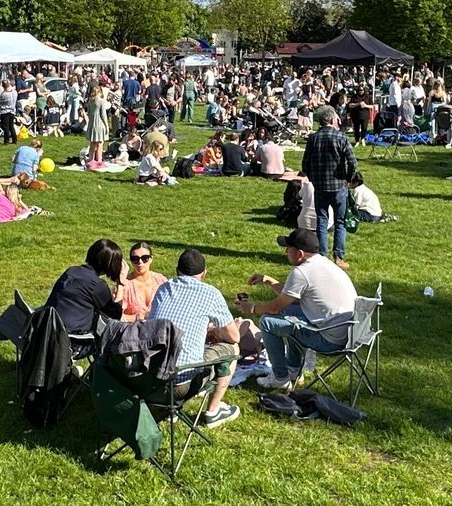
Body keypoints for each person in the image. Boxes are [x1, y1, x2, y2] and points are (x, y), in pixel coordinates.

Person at [237, 228, 357, 392]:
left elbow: (275, 307)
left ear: (299, 254)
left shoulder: (302, 272)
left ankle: (280, 377)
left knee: (267, 322)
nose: (285, 251)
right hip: (347, 333)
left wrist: (251, 308)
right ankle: (293, 369)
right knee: (289, 312)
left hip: (330, 340)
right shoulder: (323, 262)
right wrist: (269, 281)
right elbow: (291, 297)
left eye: (288, 248)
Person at [147, 248, 242, 428]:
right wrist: (216, 332)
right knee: (233, 349)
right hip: (182, 383)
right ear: (204, 274)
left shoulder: (164, 288)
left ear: (177, 271)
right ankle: (213, 412)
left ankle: (169, 409)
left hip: (150, 380)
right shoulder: (210, 293)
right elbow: (234, 336)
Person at [44, 239, 125, 357]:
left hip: (45, 334)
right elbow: (115, 315)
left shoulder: (71, 271)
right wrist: (121, 283)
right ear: (110, 264)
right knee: (106, 339)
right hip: (70, 344)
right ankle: (93, 374)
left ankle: (69, 371)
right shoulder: (97, 285)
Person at [302, 106, 357, 268]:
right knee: (340, 222)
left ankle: (322, 255)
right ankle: (338, 257)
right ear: (332, 119)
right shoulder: (341, 137)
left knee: (322, 220)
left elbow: (305, 164)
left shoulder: (313, 138)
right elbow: (353, 162)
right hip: (339, 184)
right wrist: (348, 178)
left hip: (320, 186)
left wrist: (313, 179)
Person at [116, 241, 169, 323]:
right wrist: (139, 317)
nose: (140, 262)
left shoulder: (161, 281)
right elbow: (116, 316)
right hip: (133, 331)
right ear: (131, 261)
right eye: (135, 259)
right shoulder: (125, 285)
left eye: (145, 258)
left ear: (151, 259)